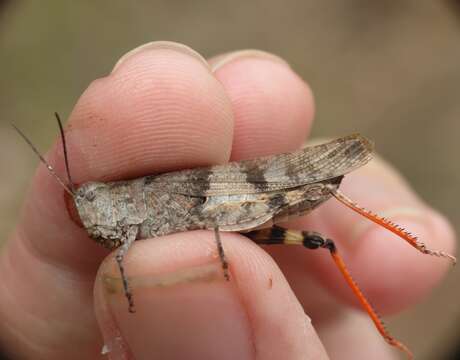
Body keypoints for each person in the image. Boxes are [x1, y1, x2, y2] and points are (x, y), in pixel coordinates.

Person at [0, 41, 455, 359]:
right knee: (320, 242)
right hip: (230, 223)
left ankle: (410, 258)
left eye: (92, 199)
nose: (91, 215)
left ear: (116, 197)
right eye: (82, 204)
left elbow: (204, 213)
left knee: (321, 199)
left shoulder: (148, 194)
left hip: (240, 197)